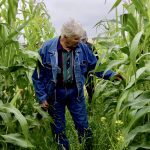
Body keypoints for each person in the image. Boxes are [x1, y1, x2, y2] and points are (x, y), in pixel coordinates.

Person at [32, 19, 116, 150]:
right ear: (65, 36)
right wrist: (42, 97)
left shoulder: (82, 48)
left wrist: (112, 75)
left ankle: (88, 147)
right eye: (76, 39)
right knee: (58, 130)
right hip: (55, 95)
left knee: (83, 126)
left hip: (75, 94)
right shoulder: (47, 49)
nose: (79, 41)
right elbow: (37, 76)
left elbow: (95, 66)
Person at [80, 31, 96, 104]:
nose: (83, 41)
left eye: (84, 40)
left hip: (89, 72)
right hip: (80, 71)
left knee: (90, 89)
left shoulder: (91, 46)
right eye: (81, 40)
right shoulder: (77, 47)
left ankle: (91, 104)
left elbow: (96, 60)